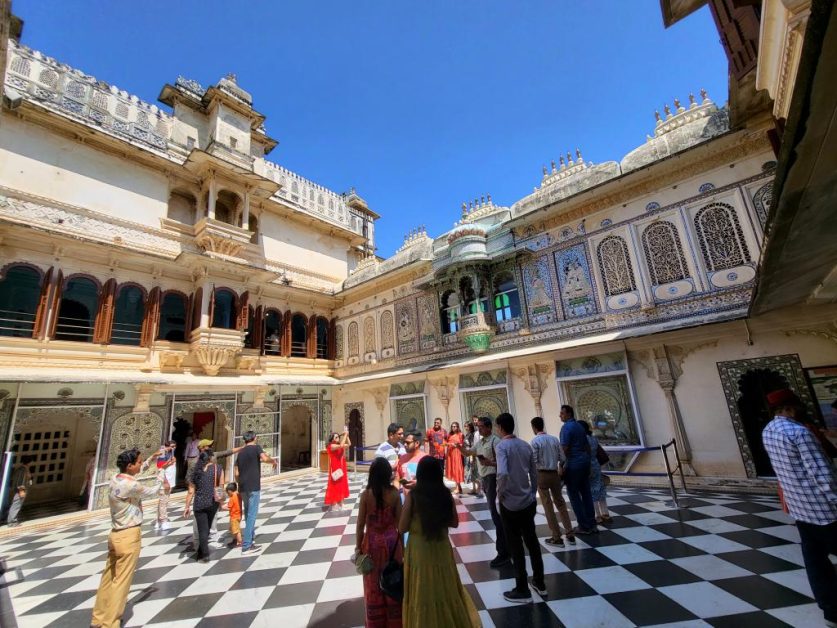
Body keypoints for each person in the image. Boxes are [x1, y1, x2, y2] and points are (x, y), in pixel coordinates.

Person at [762, 389, 837, 627]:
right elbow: (821, 473)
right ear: (792, 407)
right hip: (824, 509)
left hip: (799, 507)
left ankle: (831, 611)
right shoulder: (798, 432)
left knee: (816, 561)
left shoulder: (768, 431)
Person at [399, 456, 480, 627]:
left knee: (422, 590)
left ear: (419, 475)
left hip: (420, 551)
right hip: (441, 547)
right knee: (444, 587)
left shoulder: (413, 497)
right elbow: (455, 522)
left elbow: (402, 527)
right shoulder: (445, 494)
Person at [91, 447, 161, 628]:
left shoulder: (115, 479)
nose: (140, 464)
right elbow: (151, 492)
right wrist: (162, 479)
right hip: (129, 534)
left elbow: (135, 474)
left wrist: (151, 459)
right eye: (138, 462)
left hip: (115, 534)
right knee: (121, 583)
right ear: (129, 466)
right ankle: (110, 623)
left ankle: (98, 619)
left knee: (108, 578)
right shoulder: (131, 486)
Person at [496, 412, 544, 603]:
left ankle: (522, 587)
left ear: (500, 427)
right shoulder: (525, 445)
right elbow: (533, 472)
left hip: (510, 502)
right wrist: (532, 493)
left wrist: (500, 494)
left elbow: (502, 473)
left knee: (515, 545)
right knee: (532, 541)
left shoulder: (502, 447)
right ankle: (540, 581)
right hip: (527, 501)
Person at [356, 457, 403, 627]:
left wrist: (357, 548)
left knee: (373, 585)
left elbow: (360, 524)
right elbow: (401, 525)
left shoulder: (366, 495)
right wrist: (403, 550)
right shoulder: (394, 494)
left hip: (372, 545)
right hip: (391, 544)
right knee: (393, 581)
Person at [530, 416, 575, 547]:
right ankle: (570, 533)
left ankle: (556, 537)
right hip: (554, 473)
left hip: (542, 474)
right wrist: (558, 466)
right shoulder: (554, 439)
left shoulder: (535, 441)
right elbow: (562, 457)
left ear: (534, 427)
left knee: (547, 505)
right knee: (560, 503)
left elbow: (534, 460)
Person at [474, 416, 510, 567]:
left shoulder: (496, 442)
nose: (479, 429)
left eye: (481, 426)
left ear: (491, 427)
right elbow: (469, 452)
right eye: (478, 427)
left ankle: (504, 551)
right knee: (497, 515)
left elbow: (502, 464)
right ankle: (507, 548)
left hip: (493, 478)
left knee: (497, 516)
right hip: (486, 478)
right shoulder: (481, 442)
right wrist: (458, 447)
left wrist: (489, 463)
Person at [235, 430, 278, 552]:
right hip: (253, 486)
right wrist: (273, 461)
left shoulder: (241, 452)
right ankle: (247, 545)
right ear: (255, 438)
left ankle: (251, 538)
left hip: (242, 487)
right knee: (252, 515)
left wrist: (241, 482)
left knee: (248, 513)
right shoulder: (256, 448)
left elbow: (236, 473)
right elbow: (264, 458)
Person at [559, 404, 597, 535]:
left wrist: (561, 464)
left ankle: (583, 525)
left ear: (568, 414)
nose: (560, 415)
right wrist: (589, 463)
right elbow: (587, 446)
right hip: (584, 462)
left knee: (574, 494)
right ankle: (592, 523)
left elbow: (564, 448)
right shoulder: (580, 426)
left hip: (574, 464)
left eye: (562, 413)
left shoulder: (566, 428)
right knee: (586, 493)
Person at [184, 449, 224, 562]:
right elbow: (220, 488)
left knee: (202, 529)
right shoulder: (218, 469)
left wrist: (186, 506)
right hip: (212, 502)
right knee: (206, 529)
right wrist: (221, 503)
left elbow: (191, 491)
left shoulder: (195, 471)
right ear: (211, 458)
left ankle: (201, 552)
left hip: (199, 503)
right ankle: (205, 553)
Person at [579, 420, 611, 524]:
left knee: (590, 491)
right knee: (600, 488)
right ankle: (605, 513)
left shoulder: (583, 440)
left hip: (588, 466)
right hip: (596, 464)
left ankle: (597, 516)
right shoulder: (593, 438)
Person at [325, 429, 351, 510]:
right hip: (335, 467)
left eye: (338, 437)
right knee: (335, 485)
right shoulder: (331, 446)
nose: (338, 438)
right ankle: (334, 503)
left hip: (341, 467)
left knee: (341, 484)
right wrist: (345, 434)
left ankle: (341, 503)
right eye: (336, 437)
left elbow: (349, 444)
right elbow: (341, 445)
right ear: (332, 439)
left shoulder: (339, 444)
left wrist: (347, 436)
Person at [4, 455, 33, 526]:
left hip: (22, 490)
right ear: (29, 462)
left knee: (17, 505)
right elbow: (20, 481)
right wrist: (21, 490)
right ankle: (12, 521)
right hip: (20, 491)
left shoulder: (24, 469)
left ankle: (12, 520)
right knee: (16, 505)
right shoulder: (22, 470)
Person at [154, 440, 177, 530]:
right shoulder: (163, 452)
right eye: (172, 446)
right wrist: (165, 481)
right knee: (163, 501)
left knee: (163, 501)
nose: (173, 448)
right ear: (167, 446)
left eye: (174, 446)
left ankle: (158, 520)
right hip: (165, 480)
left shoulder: (170, 453)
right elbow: (160, 467)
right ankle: (163, 521)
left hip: (170, 480)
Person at [463, 417, 482, 496]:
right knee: (471, 472)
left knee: (475, 472)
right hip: (467, 455)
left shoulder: (474, 434)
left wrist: (472, 456)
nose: (466, 428)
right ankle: (473, 487)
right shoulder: (467, 434)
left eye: (467, 426)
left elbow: (473, 445)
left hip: (472, 454)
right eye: (465, 426)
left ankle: (479, 488)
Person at [445, 422, 465, 494]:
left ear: (458, 427)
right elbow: (446, 443)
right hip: (451, 454)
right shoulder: (449, 435)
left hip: (457, 453)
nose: (454, 428)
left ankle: (458, 487)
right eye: (452, 426)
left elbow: (463, 444)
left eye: (455, 426)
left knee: (457, 469)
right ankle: (458, 486)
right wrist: (449, 444)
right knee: (453, 469)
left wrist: (457, 445)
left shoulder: (460, 434)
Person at [221, 482, 243, 547]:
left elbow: (229, 507)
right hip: (239, 515)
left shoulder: (232, 498)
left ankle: (239, 542)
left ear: (230, 491)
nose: (228, 494)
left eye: (228, 493)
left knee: (236, 530)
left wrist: (222, 507)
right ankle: (235, 540)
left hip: (234, 516)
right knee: (234, 529)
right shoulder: (238, 495)